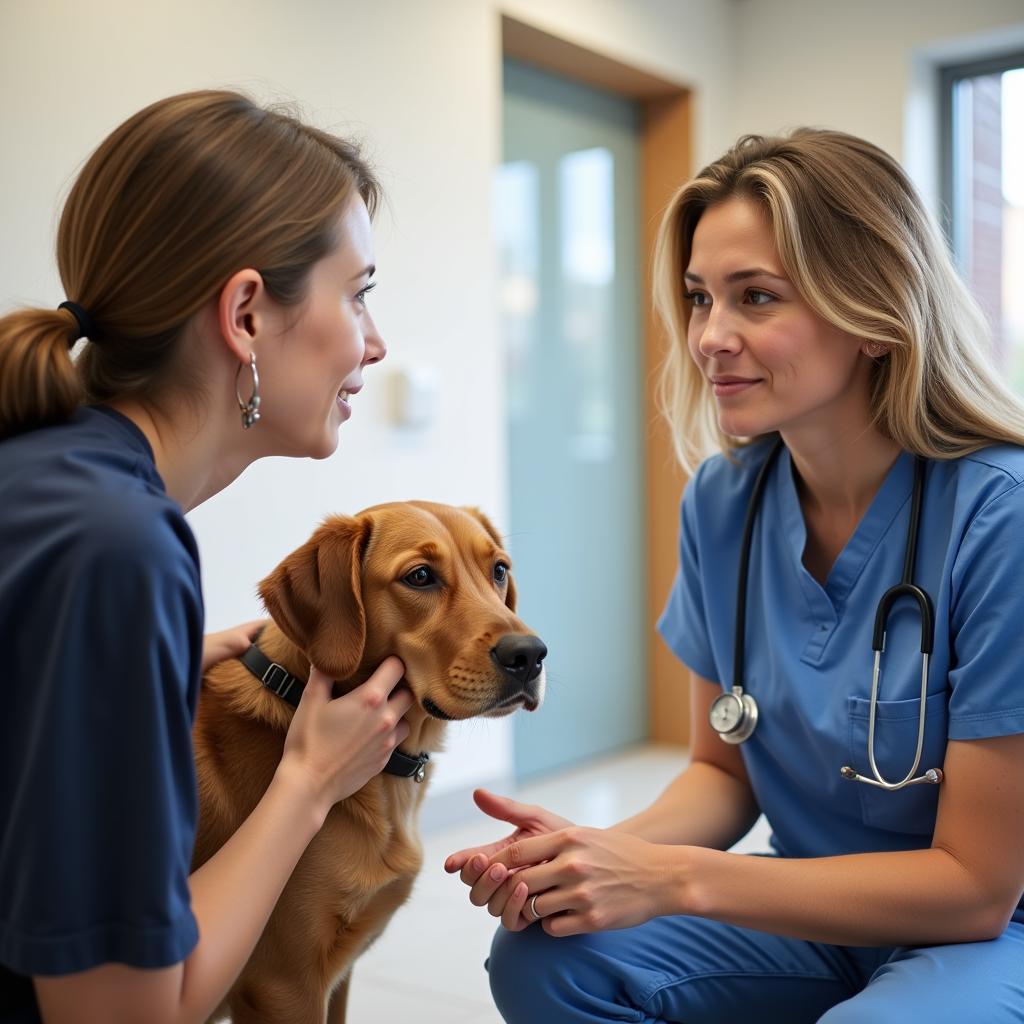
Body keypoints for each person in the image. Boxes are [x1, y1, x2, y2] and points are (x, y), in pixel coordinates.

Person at [445, 129, 1024, 1023]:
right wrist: (592, 855)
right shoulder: (725, 502)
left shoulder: (1001, 516)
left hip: (994, 929)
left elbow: (974, 887)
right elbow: (724, 773)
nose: (711, 337)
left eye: (756, 297)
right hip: (814, 906)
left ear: (873, 312)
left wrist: (674, 879)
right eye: (699, 298)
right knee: (547, 956)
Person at [0, 90, 416, 1024]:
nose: (376, 344)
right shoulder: (118, 548)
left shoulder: (44, 476)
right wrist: (308, 784)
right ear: (245, 314)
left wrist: (139, 681)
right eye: (359, 297)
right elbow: (126, 1015)